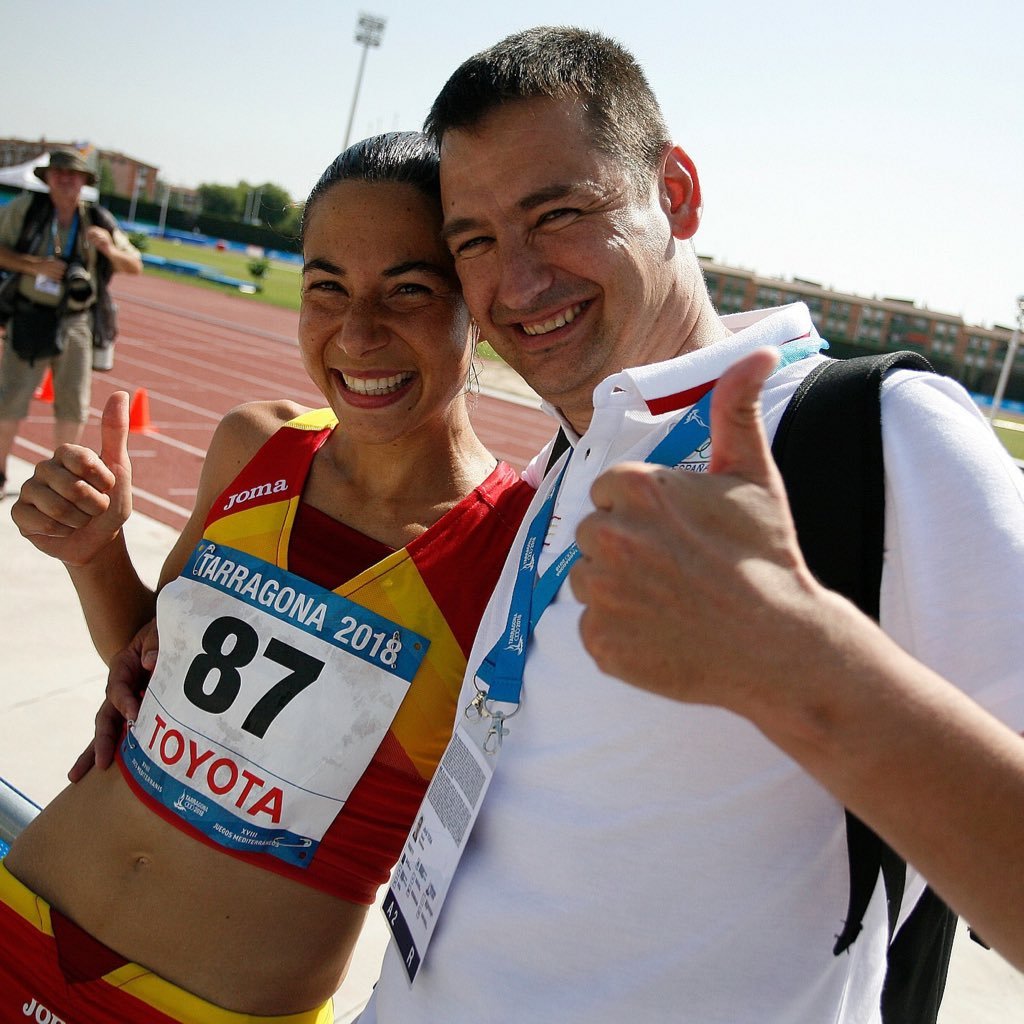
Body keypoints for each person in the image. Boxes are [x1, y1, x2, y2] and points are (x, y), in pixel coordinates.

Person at [354, 27, 1024, 1023]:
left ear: (676, 192)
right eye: (476, 241)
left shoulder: (876, 437)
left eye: (560, 214)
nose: (519, 280)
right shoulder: (565, 462)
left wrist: (801, 665)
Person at [4, 132, 533, 1023]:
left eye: (407, 289)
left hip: (216, 1004)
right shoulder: (256, 443)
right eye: (327, 287)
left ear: (473, 304)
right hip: (26, 916)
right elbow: (143, 667)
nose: (356, 333)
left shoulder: (513, 550)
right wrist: (97, 556)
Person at [0, 146, 142, 499]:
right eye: (59, 174)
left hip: (77, 320)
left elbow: (135, 265)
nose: (66, 180)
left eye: (73, 175)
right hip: (30, 314)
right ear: (47, 179)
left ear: (83, 181)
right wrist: (34, 266)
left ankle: (59, 479)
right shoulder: (27, 210)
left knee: (74, 404)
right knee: (10, 400)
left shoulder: (98, 219)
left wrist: (108, 249)